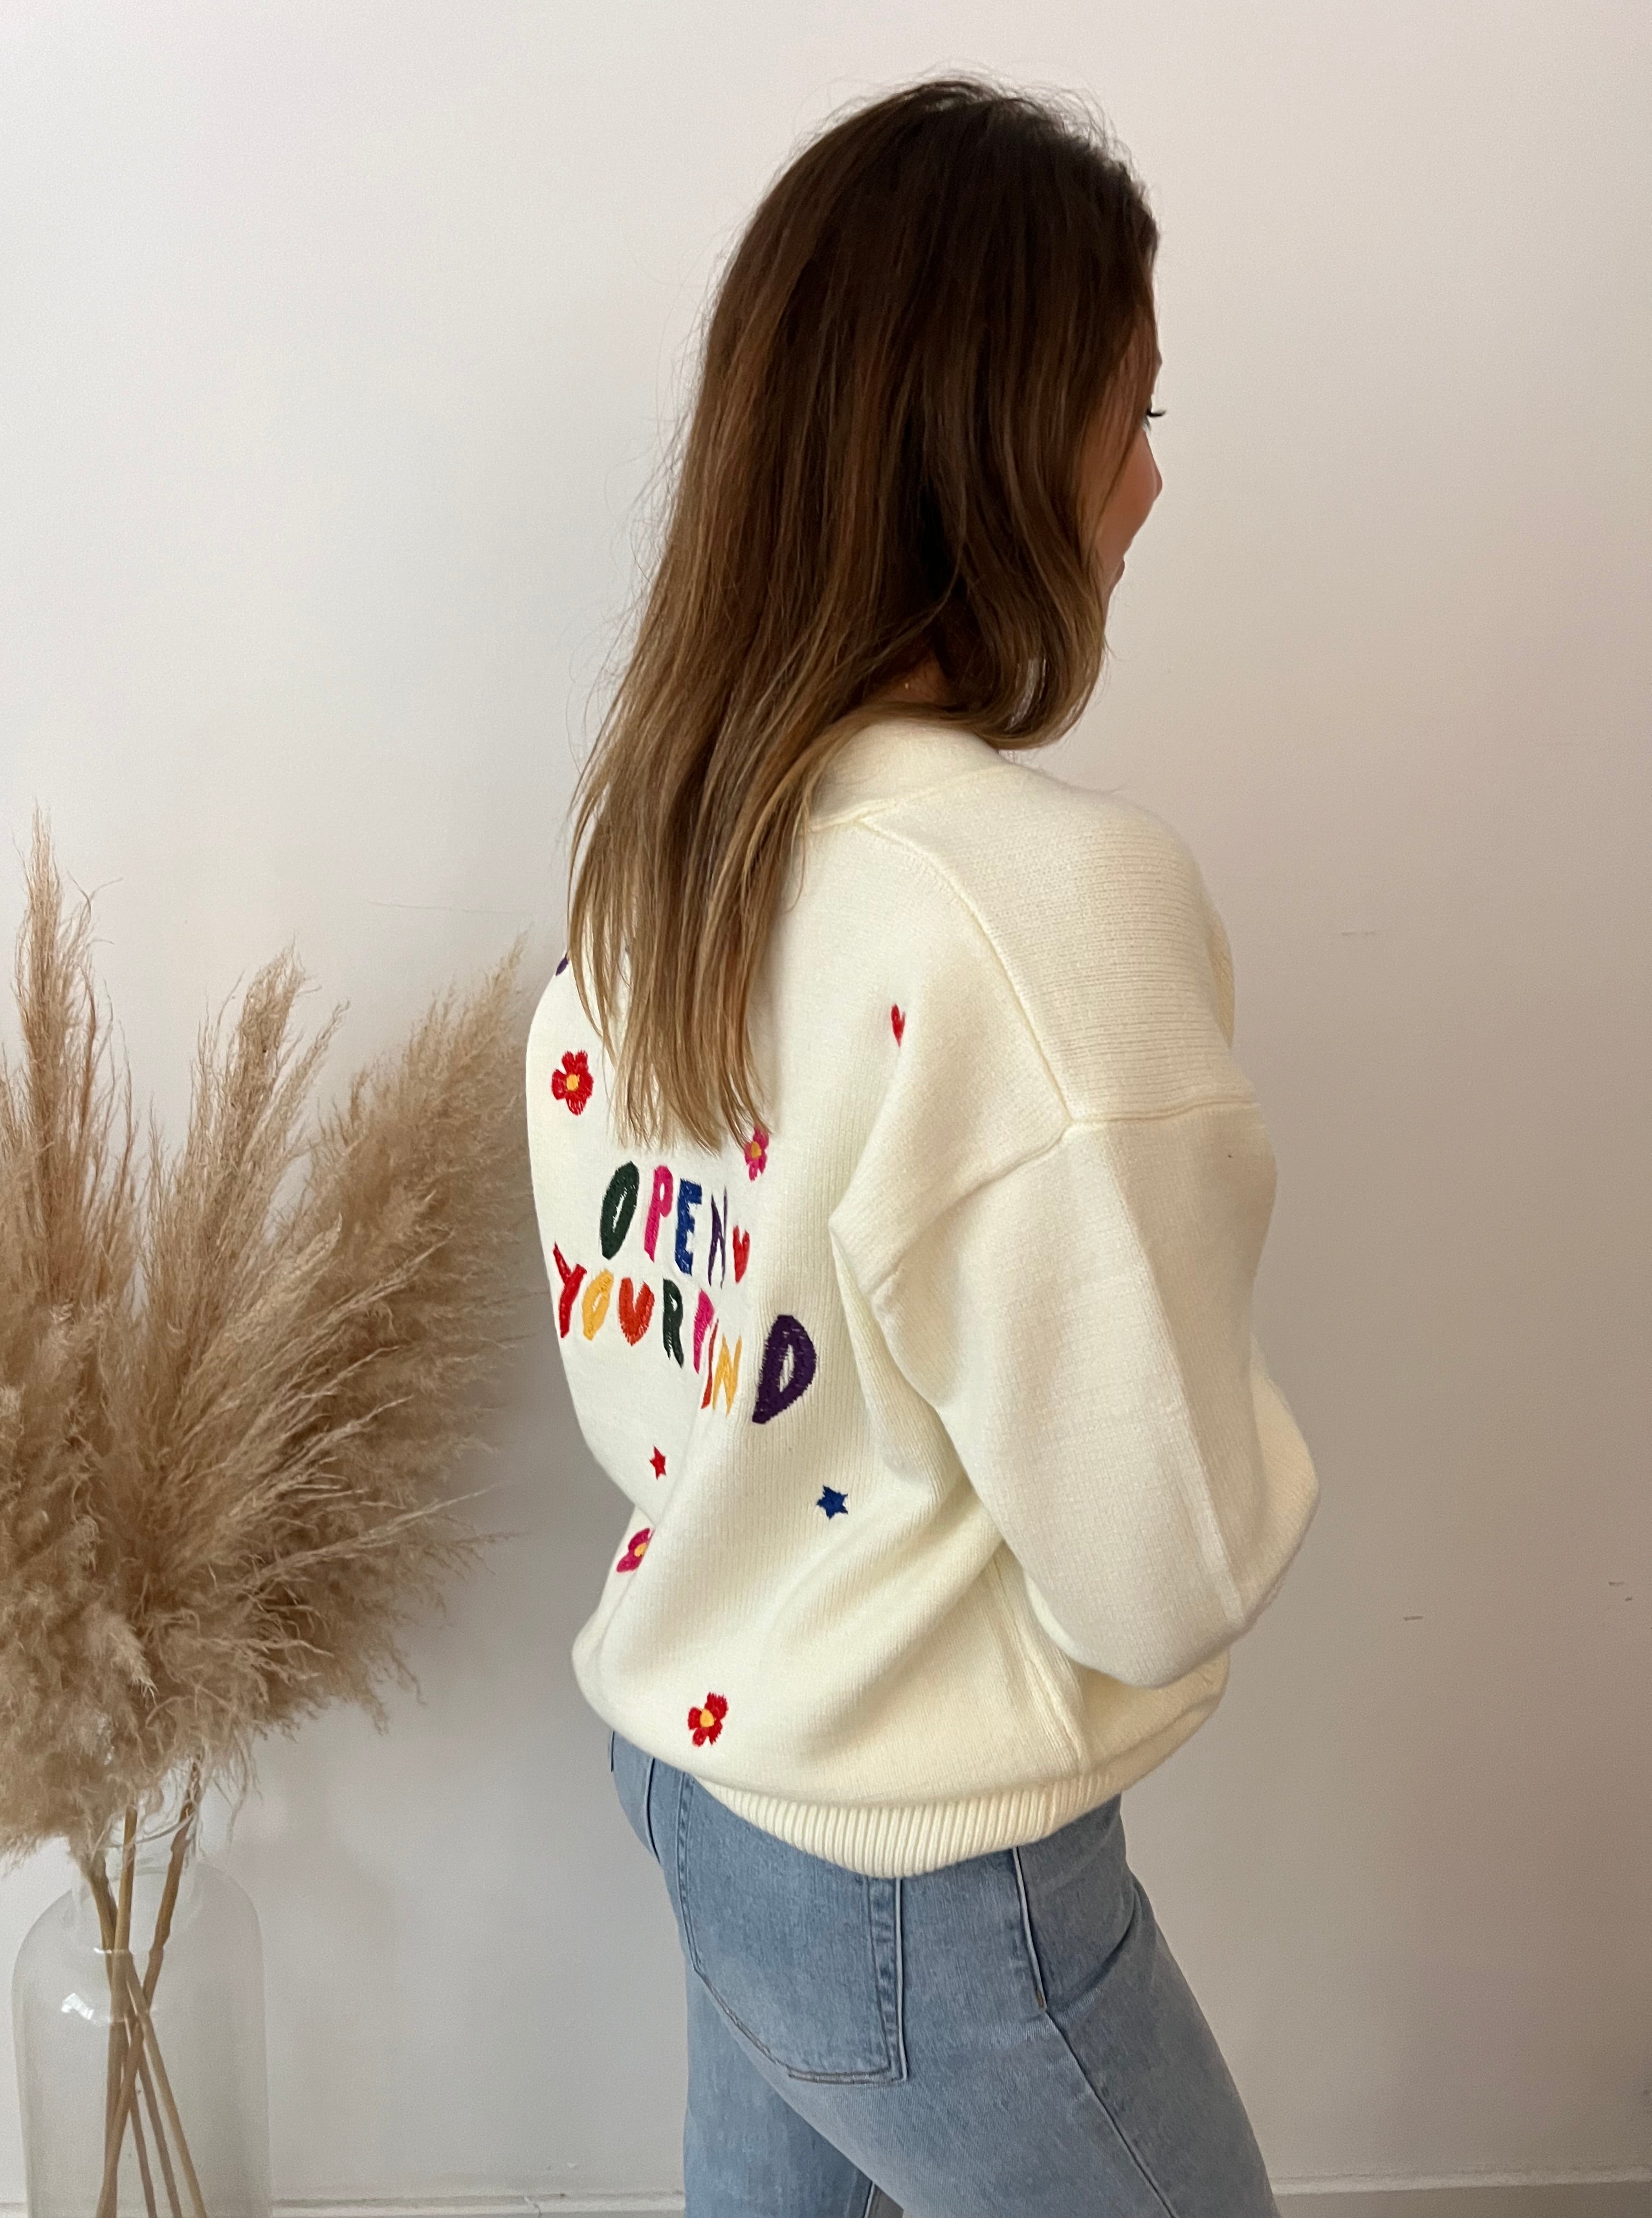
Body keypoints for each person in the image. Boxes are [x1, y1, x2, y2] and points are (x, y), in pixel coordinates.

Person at [525, 73, 1319, 2218]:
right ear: (1001, 451)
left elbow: (658, 1367)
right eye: (1133, 415)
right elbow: (1161, 1562)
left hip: (712, 1779)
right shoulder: (1043, 910)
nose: (1151, 484)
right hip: (926, 1885)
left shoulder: (660, 856)